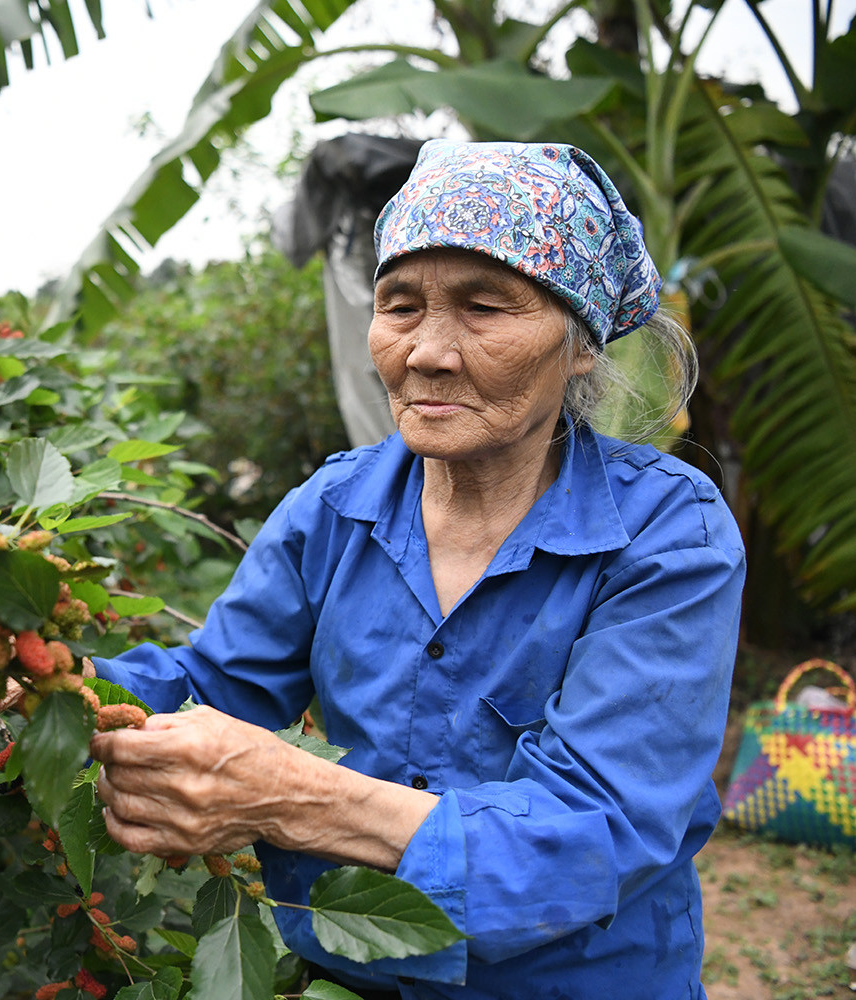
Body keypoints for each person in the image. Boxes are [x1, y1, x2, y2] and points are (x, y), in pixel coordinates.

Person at [77, 141, 746, 999]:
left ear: (579, 345)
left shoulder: (667, 533)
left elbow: (595, 831)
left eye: (484, 307)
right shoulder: (334, 507)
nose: (427, 351)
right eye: (399, 305)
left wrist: (291, 796)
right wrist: (43, 682)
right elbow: (214, 687)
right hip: (348, 975)